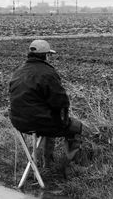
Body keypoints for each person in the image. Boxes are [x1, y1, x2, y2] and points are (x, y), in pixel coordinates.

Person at [9, 39, 82, 169]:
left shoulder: (18, 71)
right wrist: (64, 120)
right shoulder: (48, 73)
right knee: (75, 127)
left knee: (47, 118)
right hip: (38, 123)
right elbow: (61, 102)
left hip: (18, 122)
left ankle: (46, 163)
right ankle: (74, 167)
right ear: (46, 55)